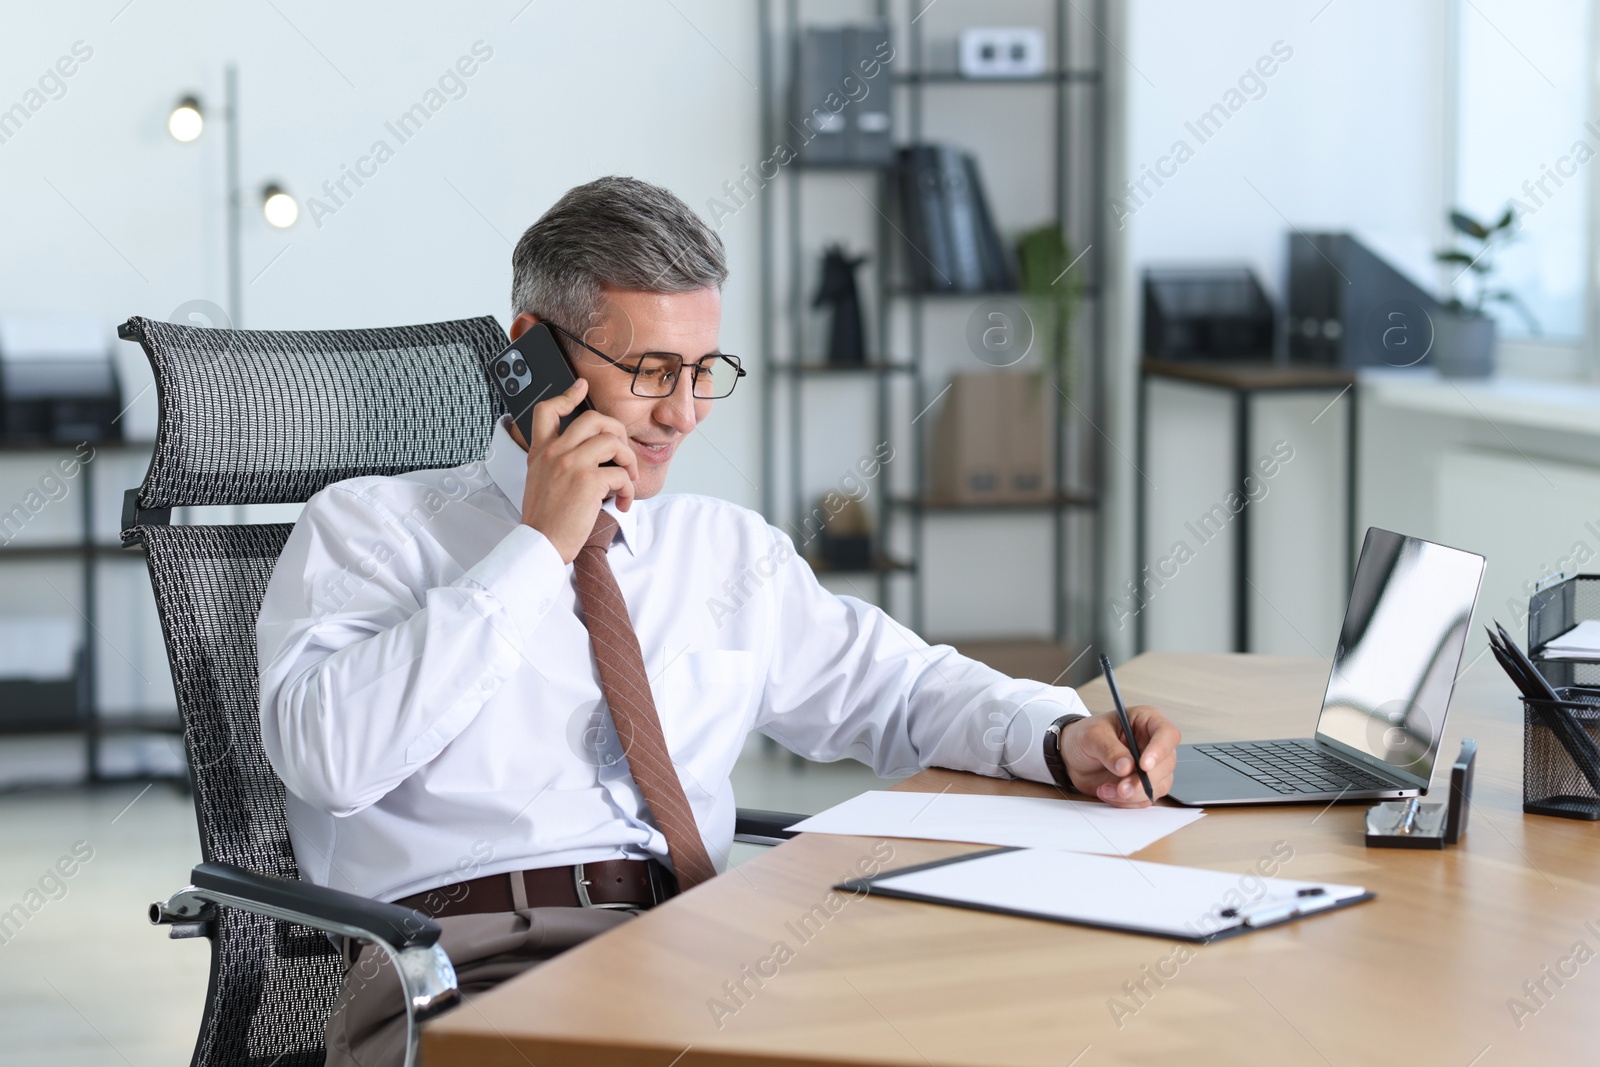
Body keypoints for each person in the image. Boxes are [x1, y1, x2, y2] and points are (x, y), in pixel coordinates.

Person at [257, 176, 1179, 1067]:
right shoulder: (369, 528)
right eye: (653, 372)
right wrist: (538, 547)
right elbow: (330, 759)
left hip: (705, 944)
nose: (685, 412)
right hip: (469, 967)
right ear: (532, 353)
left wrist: (1057, 736)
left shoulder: (723, 551)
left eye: (704, 372)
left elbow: (898, 687)